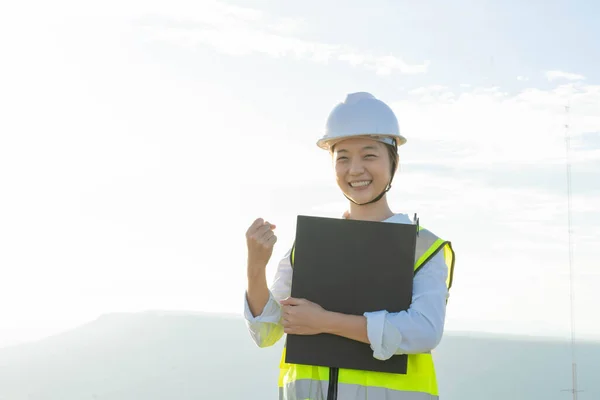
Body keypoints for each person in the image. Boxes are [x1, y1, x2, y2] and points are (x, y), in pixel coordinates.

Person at [244, 92, 456, 400]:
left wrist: (325, 322)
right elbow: (266, 332)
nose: (355, 169)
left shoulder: (422, 247)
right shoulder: (311, 244)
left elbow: (424, 331)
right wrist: (255, 268)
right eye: (342, 157)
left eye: (369, 155)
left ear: (393, 160)